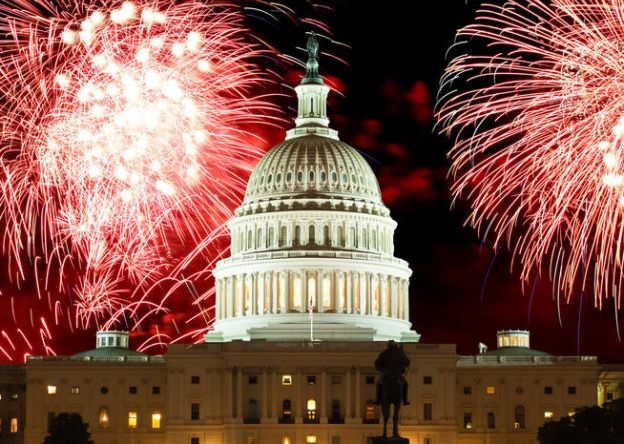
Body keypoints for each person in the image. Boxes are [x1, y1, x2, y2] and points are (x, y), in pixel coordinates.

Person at [375, 340, 410, 405]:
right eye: (390, 346)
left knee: (405, 384)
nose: (391, 347)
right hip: (386, 372)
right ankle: (377, 399)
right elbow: (377, 363)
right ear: (388, 346)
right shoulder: (383, 353)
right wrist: (381, 369)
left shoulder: (398, 354)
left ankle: (405, 400)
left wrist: (405, 364)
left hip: (396, 372)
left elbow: (406, 360)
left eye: (392, 346)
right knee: (378, 384)